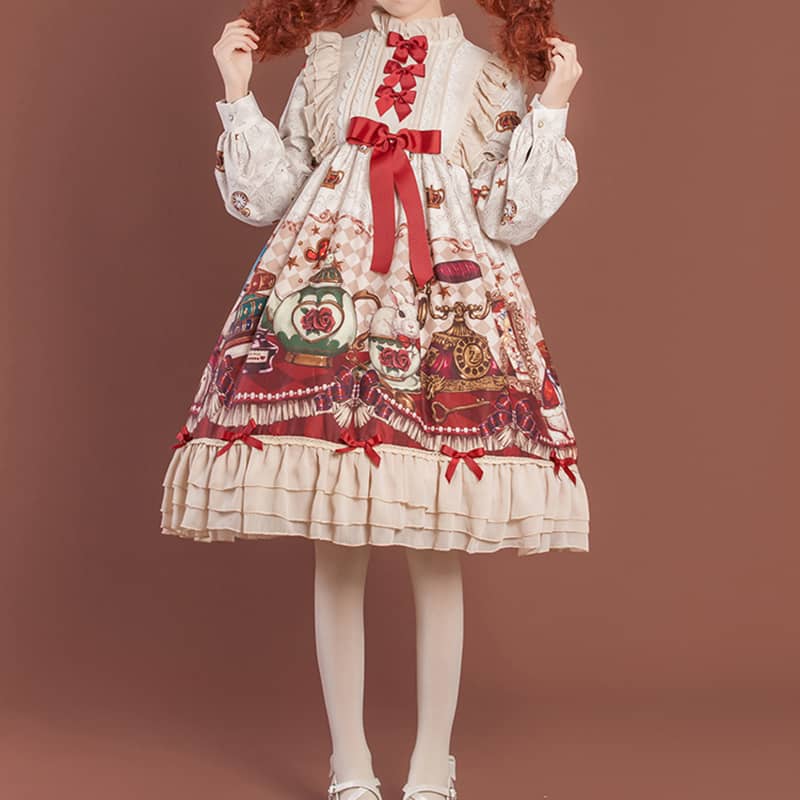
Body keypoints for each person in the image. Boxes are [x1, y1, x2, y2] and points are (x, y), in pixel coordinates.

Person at [160, 2, 588, 798]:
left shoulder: (487, 75)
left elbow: (511, 214)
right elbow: (265, 198)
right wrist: (237, 93)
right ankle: (349, 764)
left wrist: (552, 108)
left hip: (443, 313)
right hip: (329, 305)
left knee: (436, 544)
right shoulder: (331, 63)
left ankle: (432, 764)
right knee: (337, 540)